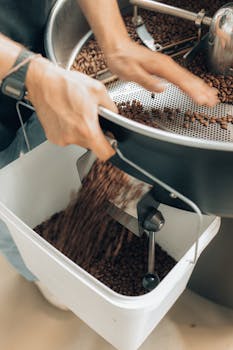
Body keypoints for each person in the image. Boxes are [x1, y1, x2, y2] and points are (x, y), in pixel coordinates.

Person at [0, 0, 219, 309]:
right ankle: (41, 271)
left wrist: (114, 38)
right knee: (12, 210)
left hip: (35, 41)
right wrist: (27, 71)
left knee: (56, 159)